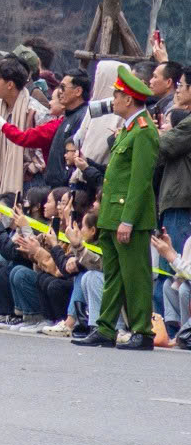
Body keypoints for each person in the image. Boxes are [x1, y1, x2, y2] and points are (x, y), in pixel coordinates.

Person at [79, 65, 160, 350]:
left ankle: (142, 330)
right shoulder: (128, 130)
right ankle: (105, 327)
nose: (112, 101)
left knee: (135, 275)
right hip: (112, 215)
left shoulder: (144, 132)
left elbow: (139, 182)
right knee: (112, 274)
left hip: (129, 217)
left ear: (129, 100)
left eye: (116, 96)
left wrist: (128, 220)